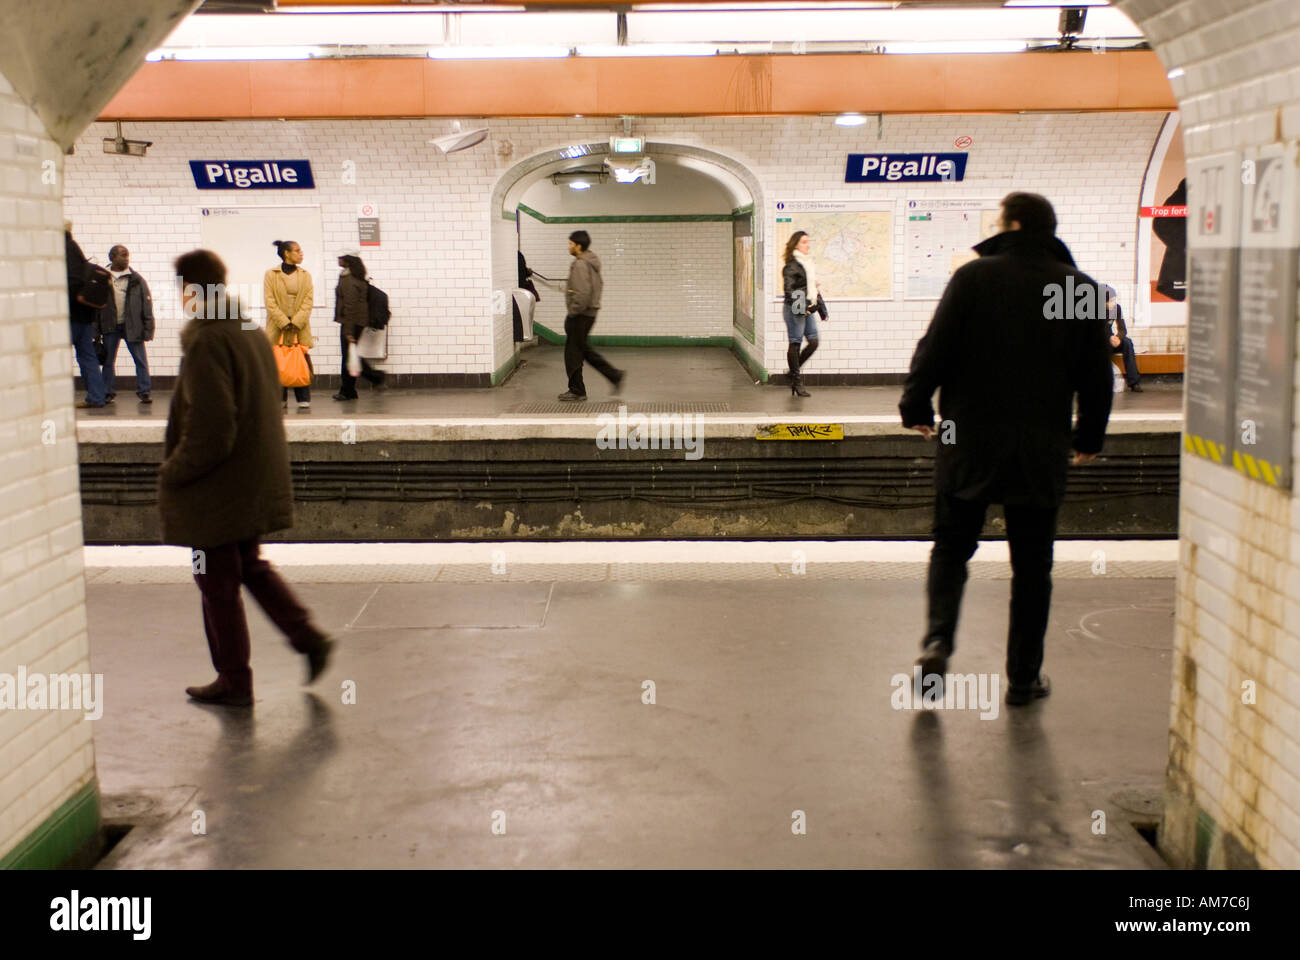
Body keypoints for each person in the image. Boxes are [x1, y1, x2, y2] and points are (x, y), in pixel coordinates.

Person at [898, 192, 1113, 707]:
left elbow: (936, 347)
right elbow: (1096, 374)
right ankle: (1022, 678)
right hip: (1040, 446)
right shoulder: (1078, 289)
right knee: (1033, 567)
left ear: (1012, 224)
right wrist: (1089, 436)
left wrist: (916, 408)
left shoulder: (975, 278)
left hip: (967, 440)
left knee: (951, 549)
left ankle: (937, 643)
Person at [161, 250, 334, 707]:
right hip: (251, 476)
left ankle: (234, 680)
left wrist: (173, 470)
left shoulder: (208, 340)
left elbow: (213, 427)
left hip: (219, 486)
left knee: (216, 583)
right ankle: (308, 637)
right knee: (249, 565)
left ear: (189, 290)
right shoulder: (248, 329)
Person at [558, 230, 624, 402]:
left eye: (571, 243)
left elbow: (582, 293)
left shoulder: (580, 264)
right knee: (582, 350)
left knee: (572, 353)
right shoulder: (590, 262)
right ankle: (614, 375)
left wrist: (573, 311)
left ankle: (577, 390)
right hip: (587, 313)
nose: (569, 246)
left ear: (578, 246)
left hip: (581, 314)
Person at [97, 245, 155, 404]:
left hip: (133, 325)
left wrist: (148, 328)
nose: (126, 258)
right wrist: (95, 330)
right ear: (112, 257)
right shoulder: (102, 277)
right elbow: (96, 305)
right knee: (108, 361)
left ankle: (144, 391)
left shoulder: (136, 279)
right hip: (110, 325)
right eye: (122, 255)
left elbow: (146, 305)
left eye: (127, 255)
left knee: (140, 360)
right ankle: (107, 392)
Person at [264, 239, 314, 410]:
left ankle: (303, 398)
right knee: (278, 362)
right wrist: (284, 322)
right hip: (277, 327)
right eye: (297, 251)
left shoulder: (305, 275)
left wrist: (296, 322)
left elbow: (308, 301)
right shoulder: (271, 274)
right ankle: (280, 398)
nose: (301, 254)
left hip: (299, 327)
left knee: (300, 359)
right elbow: (269, 301)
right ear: (287, 253)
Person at [65, 223, 108, 409]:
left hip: (70, 317)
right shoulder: (78, 253)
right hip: (86, 317)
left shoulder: (64, 250)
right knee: (88, 357)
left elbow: (71, 284)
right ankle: (97, 397)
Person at [332, 253, 385, 400]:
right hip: (355, 321)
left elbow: (350, 306)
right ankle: (349, 390)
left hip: (352, 322)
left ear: (347, 260)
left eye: (340, 257)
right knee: (350, 356)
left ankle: (375, 378)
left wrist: (348, 331)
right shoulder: (351, 276)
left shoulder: (350, 280)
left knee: (349, 356)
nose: (337, 259)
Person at [781, 231, 827, 398]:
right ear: (795, 245)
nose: (807, 245)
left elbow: (812, 289)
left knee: (814, 341)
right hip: (795, 308)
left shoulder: (807, 263)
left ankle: (792, 374)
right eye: (804, 242)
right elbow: (789, 291)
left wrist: (821, 309)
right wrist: (802, 308)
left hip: (807, 308)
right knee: (795, 342)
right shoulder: (791, 266)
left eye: (808, 242)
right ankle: (797, 381)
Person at [1104, 285, 1142, 392]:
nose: (1114, 303)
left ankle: (1134, 382)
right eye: (1111, 301)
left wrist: (1118, 338)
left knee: (1127, 342)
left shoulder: (1116, 308)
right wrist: (1108, 338)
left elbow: (1122, 328)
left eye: (1114, 300)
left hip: (1113, 340)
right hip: (1100, 341)